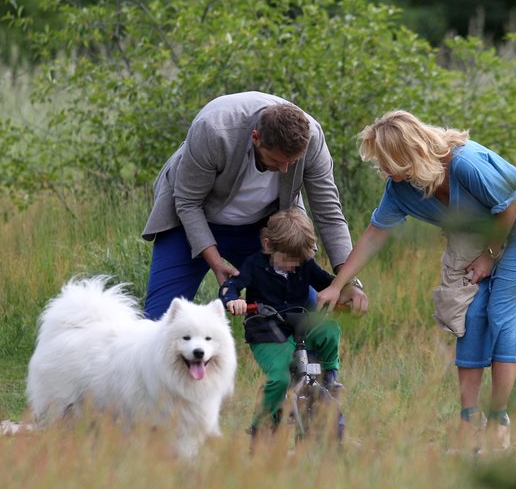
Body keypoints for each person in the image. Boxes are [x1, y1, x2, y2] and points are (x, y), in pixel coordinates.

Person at [317, 110, 516, 453]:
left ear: (407, 155)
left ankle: (499, 422)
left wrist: (488, 256)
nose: (381, 170)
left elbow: (509, 208)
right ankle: (469, 422)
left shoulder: (464, 163)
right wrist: (338, 284)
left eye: (386, 161)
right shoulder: (399, 189)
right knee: (468, 317)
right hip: (475, 238)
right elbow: (374, 235)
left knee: (501, 314)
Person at [141, 91, 368, 320]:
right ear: (256, 138)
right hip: (189, 221)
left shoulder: (312, 138)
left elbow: (329, 213)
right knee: (159, 320)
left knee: (305, 315)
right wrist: (216, 262)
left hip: (262, 229)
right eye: (277, 161)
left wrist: (346, 281)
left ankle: (301, 357)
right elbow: (188, 202)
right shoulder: (214, 130)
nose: (284, 171)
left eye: (292, 163)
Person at [220, 208, 344, 436]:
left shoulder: (303, 264)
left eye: (300, 260)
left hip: (300, 326)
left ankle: (330, 378)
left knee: (329, 329)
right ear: (268, 245)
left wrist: (345, 291)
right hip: (266, 331)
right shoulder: (255, 265)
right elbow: (231, 286)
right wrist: (233, 300)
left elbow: (327, 282)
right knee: (281, 376)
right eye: (289, 259)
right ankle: (262, 425)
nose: (294, 265)